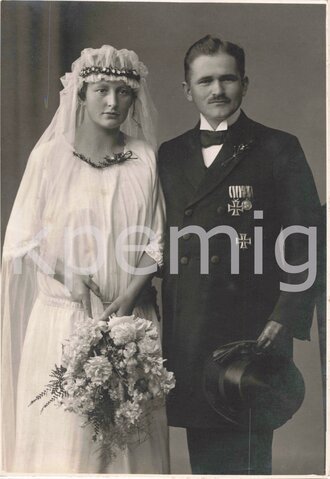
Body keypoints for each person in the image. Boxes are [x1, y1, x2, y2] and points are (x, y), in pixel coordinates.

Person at [158, 35, 321, 475]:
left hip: (252, 326)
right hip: (191, 325)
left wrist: (286, 313)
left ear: (244, 84)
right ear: (186, 89)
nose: (217, 90)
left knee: (246, 459)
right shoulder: (169, 156)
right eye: (205, 80)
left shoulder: (277, 147)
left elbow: (307, 235)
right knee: (204, 459)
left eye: (227, 78)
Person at [2, 45, 169, 474]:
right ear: (80, 93)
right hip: (64, 320)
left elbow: (156, 239)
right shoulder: (49, 158)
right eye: (101, 90)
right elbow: (24, 236)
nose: (113, 102)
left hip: (130, 319)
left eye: (123, 92)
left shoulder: (145, 159)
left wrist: (132, 295)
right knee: (66, 445)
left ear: (135, 98)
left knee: (127, 447)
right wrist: (67, 273)